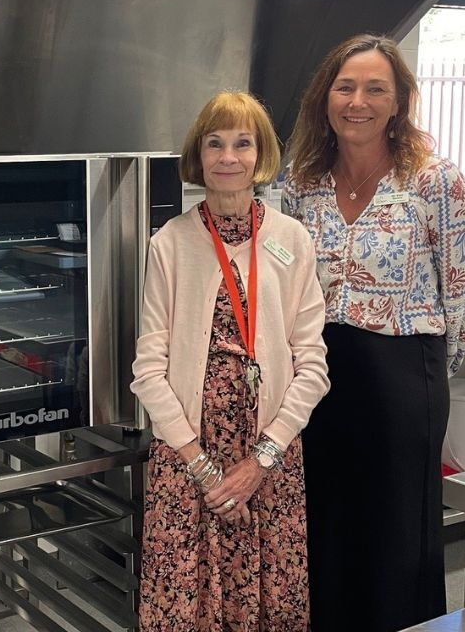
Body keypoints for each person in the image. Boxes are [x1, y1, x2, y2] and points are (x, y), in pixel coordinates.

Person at [284, 34, 465, 632]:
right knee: (327, 514)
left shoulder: (434, 182)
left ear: (398, 103)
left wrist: (430, 373)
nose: (358, 101)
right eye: (345, 87)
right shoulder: (303, 183)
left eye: (376, 89)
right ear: (325, 99)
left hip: (404, 374)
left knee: (397, 526)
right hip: (319, 373)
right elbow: (285, 281)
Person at [131, 91, 329, 631]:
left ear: (261, 154)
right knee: (185, 605)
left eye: (243, 143)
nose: (228, 157)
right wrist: (204, 471)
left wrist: (258, 464)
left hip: (269, 455)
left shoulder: (292, 239)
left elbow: (313, 365)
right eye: (214, 143)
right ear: (199, 155)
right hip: (186, 453)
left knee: (269, 602)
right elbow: (148, 369)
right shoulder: (169, 243)